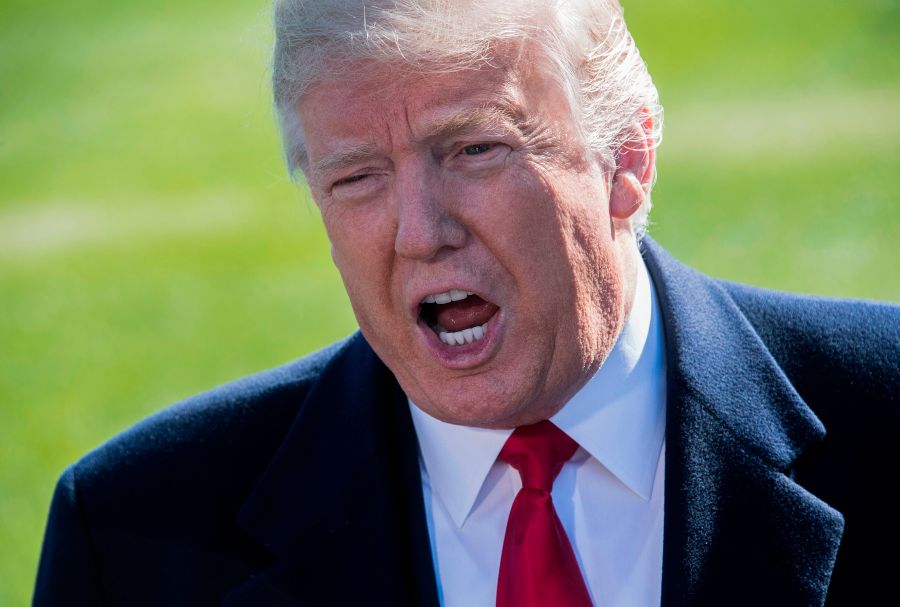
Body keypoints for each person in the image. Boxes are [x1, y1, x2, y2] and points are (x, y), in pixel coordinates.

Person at [33, 1, 898, 606]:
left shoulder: (882, 413)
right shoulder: (133, 535)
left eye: (475, 149)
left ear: (627, 158)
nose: (418, 231)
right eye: (357, 178)